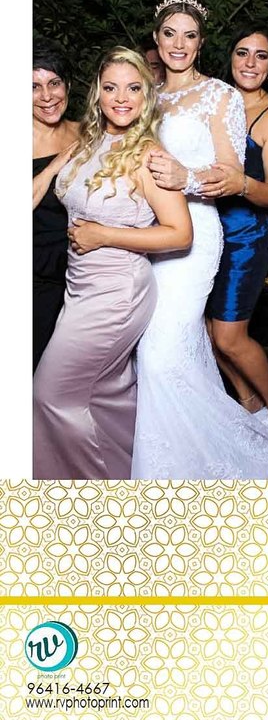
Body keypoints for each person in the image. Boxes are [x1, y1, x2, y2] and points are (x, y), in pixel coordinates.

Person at [130, 0, 268, 479]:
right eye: (169, 34)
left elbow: (230, 170)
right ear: (156, 39)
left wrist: (184, 177)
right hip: (147, 235)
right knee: (165, 350)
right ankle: (184, 455)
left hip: (194, 236)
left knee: (162, 353)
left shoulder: (219, 95)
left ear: (201, 43)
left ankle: (187, 462)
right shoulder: (144, 95)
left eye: (189, 35)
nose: (178, 44)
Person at [33, 47, 192, 479]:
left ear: (146, 96)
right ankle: (132, 471)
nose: (122, 98)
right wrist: (52, 170)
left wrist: (104, 234)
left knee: (50, 394)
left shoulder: (149, 155)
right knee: (103, 395)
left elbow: (180, 233)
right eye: (111, 87)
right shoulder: (89, 142)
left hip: (117, 292)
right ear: (97, 93)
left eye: (133, 88)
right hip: (79, 288)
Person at [202, 23, 268, 462]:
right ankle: (248, 402)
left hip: (246, 235)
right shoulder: (213, 102)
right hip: (204, 231)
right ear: (230, 57)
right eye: (242, 52)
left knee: (229, 336)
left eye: (261, 55)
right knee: (207, 332)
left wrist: (242, 183)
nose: (250, 62)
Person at [32, 39, 80, 371]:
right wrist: (55, 165)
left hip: (82, 267)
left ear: (68, 86)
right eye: (33, 87)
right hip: (34, 271)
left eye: (54, 83)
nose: (47, 96)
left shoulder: (85, 131)